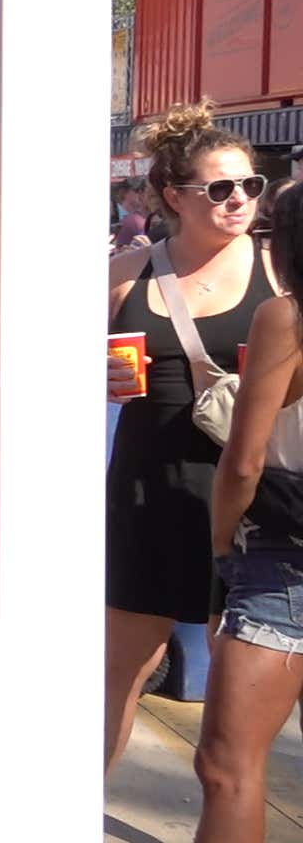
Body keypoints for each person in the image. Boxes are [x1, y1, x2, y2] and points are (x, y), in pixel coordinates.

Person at [105, 103, 273, 775]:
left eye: (250, 186)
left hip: (252, 500)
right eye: (221, 188)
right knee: (121, 671)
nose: (239, 200)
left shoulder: (279, 269)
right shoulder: (126, 273)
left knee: (239, 692)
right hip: (148, 493)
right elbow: (110, 380)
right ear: (175, 196)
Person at [200, 180, 303, 840]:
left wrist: (220, 554)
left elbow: (244, 460)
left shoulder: (287, 317)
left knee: (228, 767)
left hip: (286, 558)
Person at [113, 178, 150, 250]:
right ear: (123, 192)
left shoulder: (138, 218)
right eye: (136, 191)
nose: (139, 194)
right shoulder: (131, 220)